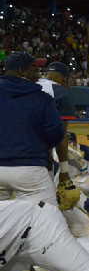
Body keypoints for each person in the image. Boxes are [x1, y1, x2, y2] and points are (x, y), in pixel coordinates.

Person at [0, 52, 63, 205]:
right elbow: (55, 134)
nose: (38, 73)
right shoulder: (42, 98)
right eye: (34, 69)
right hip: (30, 169)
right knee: (47, 215)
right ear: (22, 70)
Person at [37, 61, 77, 184]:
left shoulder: (27, 84)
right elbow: (60, 137)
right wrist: (64, 170)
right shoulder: (59, 92)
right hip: (36, 161)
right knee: (47, 202)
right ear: (63, 77)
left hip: (5, 156)